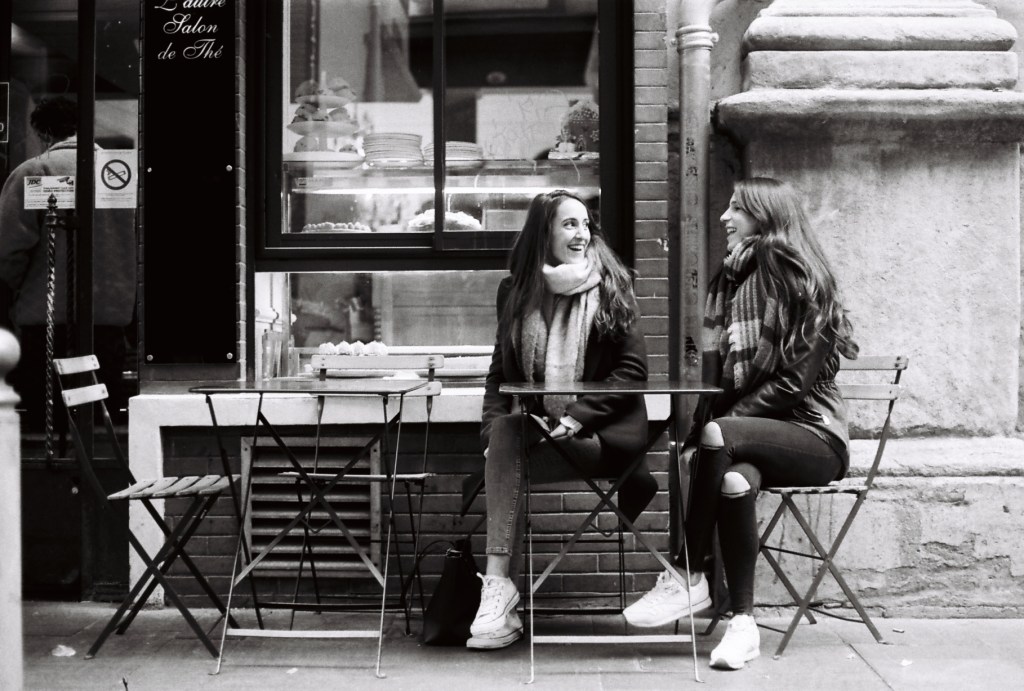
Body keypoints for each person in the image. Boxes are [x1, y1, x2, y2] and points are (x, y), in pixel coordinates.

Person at [622, 177, 859, 670]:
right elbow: (725, 385)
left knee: (718, 438)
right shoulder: (735, 281)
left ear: (766, 216)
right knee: (731, 482)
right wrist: (710, 433)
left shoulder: (800, 278)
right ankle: (743, 626)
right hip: (751, 439)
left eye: (737, 208)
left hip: (813, 434)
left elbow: (793, 383)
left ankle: (688, 574)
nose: (725, 217)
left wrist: (719, 428)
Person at [468, 189, 657, 650]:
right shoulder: (515, 290)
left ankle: (498, 596)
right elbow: (499, 375)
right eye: (569, 224)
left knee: (507, 462)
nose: (582, 233)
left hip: (598, 439)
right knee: (507, 440)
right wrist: (490, 431)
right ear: (544, 233)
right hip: (541, 438)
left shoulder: (612, 284)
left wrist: (576, 416)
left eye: (585, 224)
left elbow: (632, 372)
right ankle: (499, 595)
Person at [0, 96, 136, 429]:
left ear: (43, 134)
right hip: (110, 322)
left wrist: (19, 289)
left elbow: (7, 249)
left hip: (45, 321)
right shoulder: (120, 175)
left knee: (45, 423)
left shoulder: (36, 171)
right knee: (101, 427)